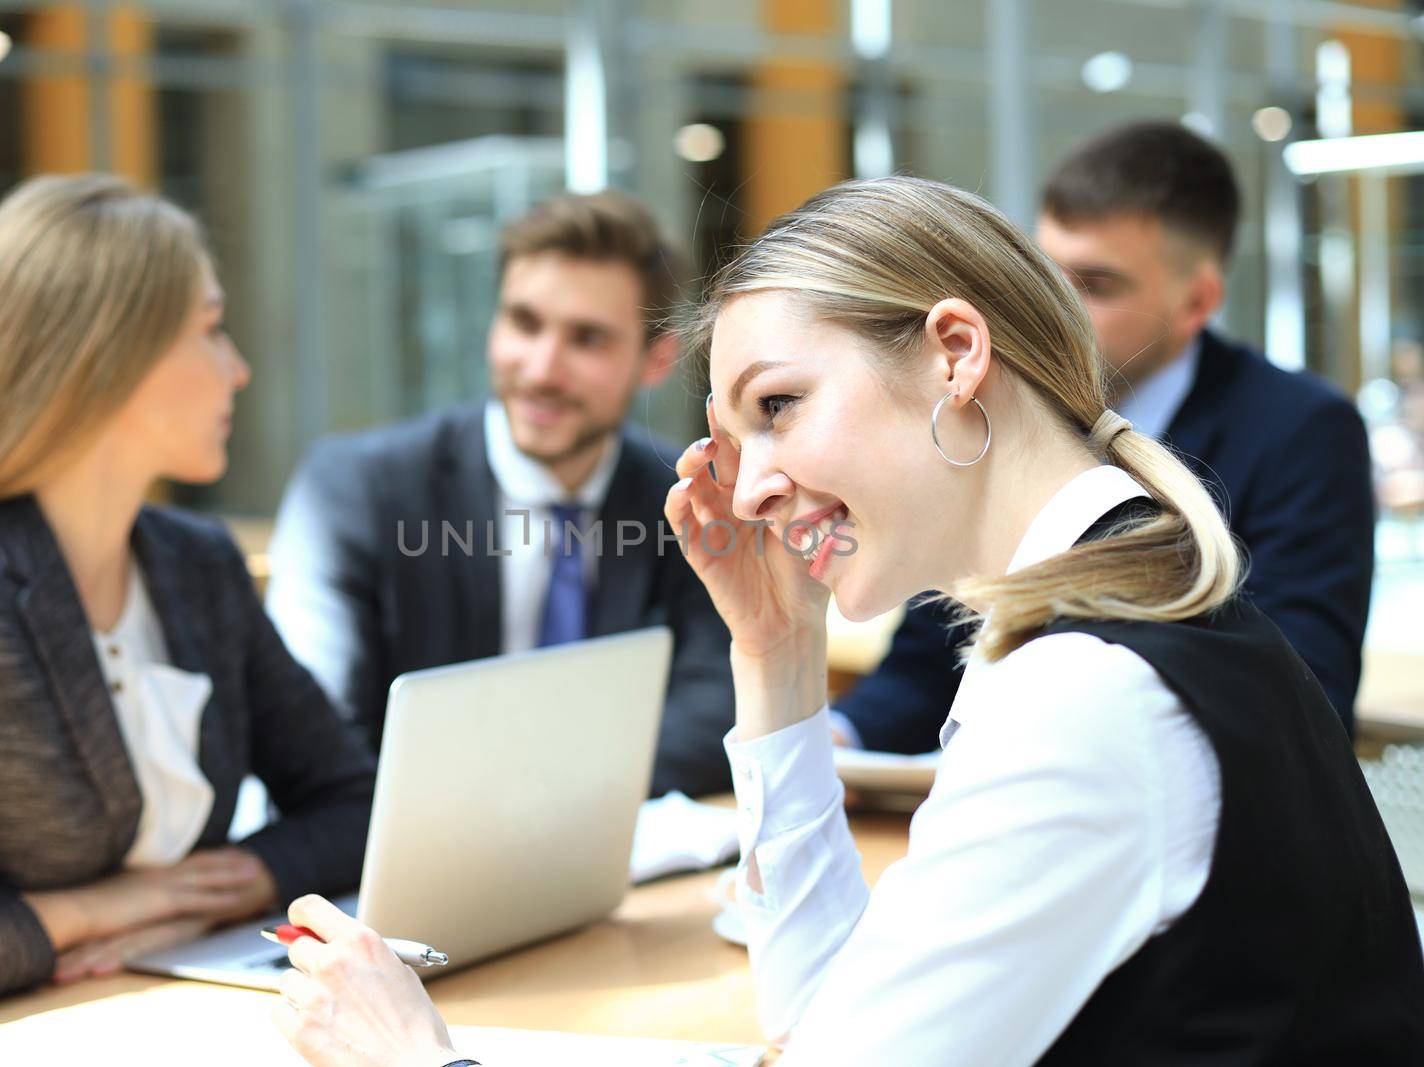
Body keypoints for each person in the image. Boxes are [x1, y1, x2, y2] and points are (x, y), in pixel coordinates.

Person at [263, 177, 1424, 1066]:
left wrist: (414, 1053)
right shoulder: (1127, 610)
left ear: (955, 354)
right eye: (734, 431)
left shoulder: (1086, 696)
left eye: (778, 406)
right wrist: (778, 656)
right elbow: (829, 1018)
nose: (752, 483)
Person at [0, 175, 377, 1043]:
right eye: (210, 328)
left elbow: (353, 802)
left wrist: (237, 881)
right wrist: (92, 910)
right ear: (106, 357)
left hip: (184, 1022)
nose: (238, 365)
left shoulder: (196, 566)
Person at [835, 121, 1374, 753]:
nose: (1052, 306)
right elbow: (926, 661)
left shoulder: (1299, 429)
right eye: (1042, 273)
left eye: (1094, 285)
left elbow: (1306, 697)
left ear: (1197, 301)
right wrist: (838, 738)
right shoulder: (995, 411)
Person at [267, 191, 734, 797]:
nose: (541, 369)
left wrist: (542, 801)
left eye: (587, 339)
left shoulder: (687, 497)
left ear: (657, 359)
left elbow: (714, 714)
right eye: (524, 322)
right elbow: (318, 736)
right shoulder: (355, 490)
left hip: (618, 860)